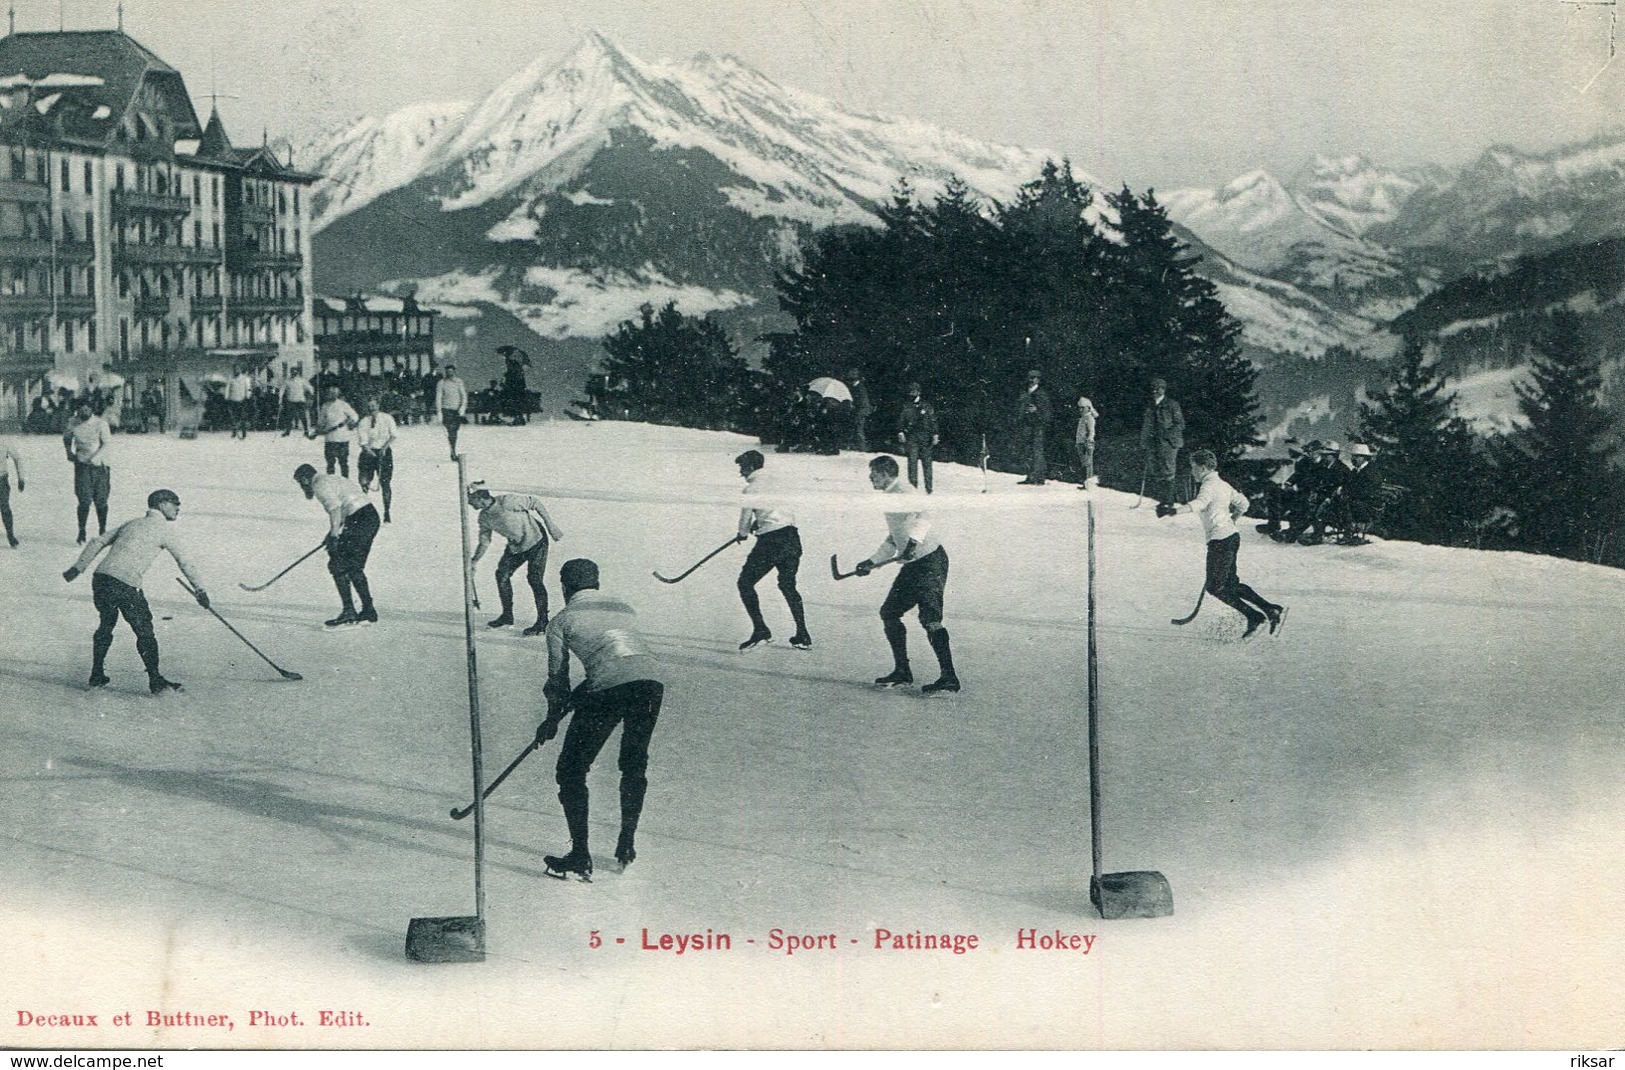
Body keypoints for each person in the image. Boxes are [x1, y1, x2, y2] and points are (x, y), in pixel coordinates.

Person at [535, 558, 666, 880]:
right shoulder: (623, 607)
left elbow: (558, 679)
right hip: (651, 683)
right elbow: (620, 657)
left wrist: (552, 719)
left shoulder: (562, 620)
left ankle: (580, 854)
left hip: (608, 688)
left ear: (564, 586)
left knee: (571, 770)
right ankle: (626, 842)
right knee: (634, 764)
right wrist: (581, 696)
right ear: (596, 582)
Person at [62, 488, 208, 694]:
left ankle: (96, 674)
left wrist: (78, 567)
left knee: (106, 624)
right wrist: (200, 590)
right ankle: (156, 680)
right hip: (126, 583)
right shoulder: (164, 530)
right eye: (175, 503)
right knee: (144, 632)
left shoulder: (131, 523)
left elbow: (98, 541)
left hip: (102, 578)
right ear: (161, 504)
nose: (178, 508)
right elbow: (185, 562)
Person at [857, 455, 959, 694]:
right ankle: (902, 671)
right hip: (914, 565)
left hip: (930, 561)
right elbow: (894, 538)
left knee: (930, 620)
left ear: (885, 473)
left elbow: (927, 512)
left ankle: (949, 678)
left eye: (874, 473)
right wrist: (872, 562)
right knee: (889, 612)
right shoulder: (890, 497)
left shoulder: (902, 490)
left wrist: (914, 541)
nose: (870, 477)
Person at [1158, 449, 1284, 639]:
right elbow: (1244, 503)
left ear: (1202, 467)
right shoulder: (1222, 484)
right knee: (1230, 584)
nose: (1192, 472)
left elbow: (1200, 503)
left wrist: (1175, 512)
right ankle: (1268, 610)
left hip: (1220, 540)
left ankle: (1256, 615)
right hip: (1230, 537)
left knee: (1215, 587)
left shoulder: (1209, 485)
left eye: (1194, 467)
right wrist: (1232, 519)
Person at [732, 450, 811, 651]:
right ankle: (803, 634)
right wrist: (760, 523)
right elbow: (777, 512)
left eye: (742, 467)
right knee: (787, 585)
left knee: (745, 583)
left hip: (771, 542)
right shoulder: (778, 483)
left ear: (750, 467)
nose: (741, 472)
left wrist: (742, 532)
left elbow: (745, 521)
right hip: (792, 537)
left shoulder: (751, 489)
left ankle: (760, 631)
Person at [468, 481, 564, 635]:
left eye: (471, 499)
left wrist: (550, 526)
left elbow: (535, 502)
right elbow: (484, 541)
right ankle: (507, 616)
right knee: (502, 575)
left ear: (480, 497)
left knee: (534, 578)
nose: (469, 503)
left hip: (536, 541)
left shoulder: (507, 502)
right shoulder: (484, 517)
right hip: (516, 547)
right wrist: (474, 561)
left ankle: (542, 621)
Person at [294, 462, 380, 628]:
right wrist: (332, 533)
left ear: (305, 479)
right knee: (353, 566)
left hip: (359, 519)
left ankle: (350, 611)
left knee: (338, 564)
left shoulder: (318, 485)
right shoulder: (330, 478)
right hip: (368, 517)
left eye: (300, 483)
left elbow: (335, 509)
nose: (302, 487)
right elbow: (342, 508)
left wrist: (334, 535)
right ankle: (368, 610)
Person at [63, 400, 112, 544]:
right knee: (84, 500)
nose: (84, 412)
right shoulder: (73, 422)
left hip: (100, 465)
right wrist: (69, 452)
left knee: (101, 500)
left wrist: (96, 458)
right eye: (81, 410)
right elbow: (67, 438)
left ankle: (102, 530)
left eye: (86, 410)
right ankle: (81, 531)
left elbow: (106, 443)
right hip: (82, 464)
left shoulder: (100, 423)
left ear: (91, 410)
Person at [1140, 377, 1185, 505]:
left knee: (1168, 470)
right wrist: (1144, 441)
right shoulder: (1149, 405)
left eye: (1158, 388)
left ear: (1163, 390)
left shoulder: (1172, 404)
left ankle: (1168, 501)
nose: (1155, 391)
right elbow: (1146, 425)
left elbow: (1180, 424)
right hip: (1153, 443)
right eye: (1153, 388)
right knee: (1156, 470)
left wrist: (1166, 434)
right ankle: (1162, 500)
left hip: (1169, 443)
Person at [356, 396, 398, 523]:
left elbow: (393, 435)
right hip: (368, 453)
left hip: (384, 453)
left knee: (385, 483)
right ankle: (363, 511)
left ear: (378, 406)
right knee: (364, 482)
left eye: (374, 406)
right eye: (369, 407)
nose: (371, 408)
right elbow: (363, 442)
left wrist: (384, 449)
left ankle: (387, 512)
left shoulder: (387, 418)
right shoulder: (364, 421)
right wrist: (371, 453)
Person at [896, 382, 939, 494]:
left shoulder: (927, 406)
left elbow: (933, 421)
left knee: (927, 464)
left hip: (926, 438)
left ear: (918, 392)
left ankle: (929, 488)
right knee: (912, 463)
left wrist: (935, 434)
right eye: (910, 391)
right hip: (912, 438)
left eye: (914, 391)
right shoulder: (906, 406)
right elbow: (901, 420)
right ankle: (913, 488)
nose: (911, 393)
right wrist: (900, 432)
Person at [312, 386, 359, 478]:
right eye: (330, 393)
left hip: (342, 438)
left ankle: (345, 482)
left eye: (334, 393)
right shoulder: (325, 406)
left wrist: (347, 422)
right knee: (330, 463)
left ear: (338, 394)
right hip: (330, 438)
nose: (332, 395)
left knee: (343, 463)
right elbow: (321, 422)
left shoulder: (343, 405)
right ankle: (331, 483)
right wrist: (316, 431)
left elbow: (355, 416)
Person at [1016, 368, 1052, 485]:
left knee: (1037, 451)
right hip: (1026, 426)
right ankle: (1030, 476)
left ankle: (1039, 477)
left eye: (1034, 378)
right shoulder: (1025, 393)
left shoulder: (1042, 394)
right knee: (1027, 451)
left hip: (1038, 427)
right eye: (1030, 377)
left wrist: (1037, 410)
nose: (1031, 380)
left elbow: (1047, 413)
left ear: (1038, 380)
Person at [435, 363, 468, 459]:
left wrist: (462, 409)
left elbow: (464, 397)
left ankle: (453, 450)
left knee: (455, 432)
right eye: (447, 372)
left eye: (451, 372)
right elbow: (438, 397)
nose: (449, 373)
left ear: (454, 372)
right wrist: (439, 412)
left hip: (456, 411)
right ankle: (453, 452)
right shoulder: (441, 383)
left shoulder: (459, 382)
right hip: (446, 410)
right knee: (451, 431)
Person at [0, 434, 24, 547]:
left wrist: (21, 478)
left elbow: (17, 458)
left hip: (1, 479)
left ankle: (10, 534)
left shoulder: (3, 441)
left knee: (4, 507)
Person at [1074, 395, 1099, 489]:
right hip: (1080, 442)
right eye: (1079, 408)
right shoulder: (1082, 418)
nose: (1081, 410)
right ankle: (1086, 482)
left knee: (1088, 463)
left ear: (1088, 408)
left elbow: (1091, 431)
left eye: (1083, 408)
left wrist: (1089, 439)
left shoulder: (1089, 418)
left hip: (1086, 443)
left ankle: (1089, 483)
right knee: (1084, 463)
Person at [280, 367, 313, 437]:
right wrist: (280, 398)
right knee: (289, 416)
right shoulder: (287, 381)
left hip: (300, 400)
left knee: (303, 416)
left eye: (295, 372)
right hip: (291, 400)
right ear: (290, 372)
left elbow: (309, 387)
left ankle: (306, 431)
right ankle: (288, 431)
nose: (294, 374)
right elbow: (282, 389)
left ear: (297, 373)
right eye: (292, 372)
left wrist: (312, 393)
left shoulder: (301, 380)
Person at [226, 365, 255, 439]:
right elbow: (227, 388)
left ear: (240, 370)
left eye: (238, 369)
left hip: (242, 400)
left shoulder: (245, 378)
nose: (236, 370)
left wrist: (248, 397)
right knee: (233, 418)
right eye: (235, 369)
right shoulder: (231, 379)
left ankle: (244, 433)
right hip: (233, 399)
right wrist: (227, 397)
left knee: (242, 417)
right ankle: (234, 432)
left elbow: (248, 388)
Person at [848, 367, 872, 451]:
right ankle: (858, 446)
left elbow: (861, 401)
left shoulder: (859, 388)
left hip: (861, 410)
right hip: (861, 410)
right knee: (858, 428)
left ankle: (862, 447)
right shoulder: (858, 387)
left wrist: (853, 404)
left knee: (858, 428)